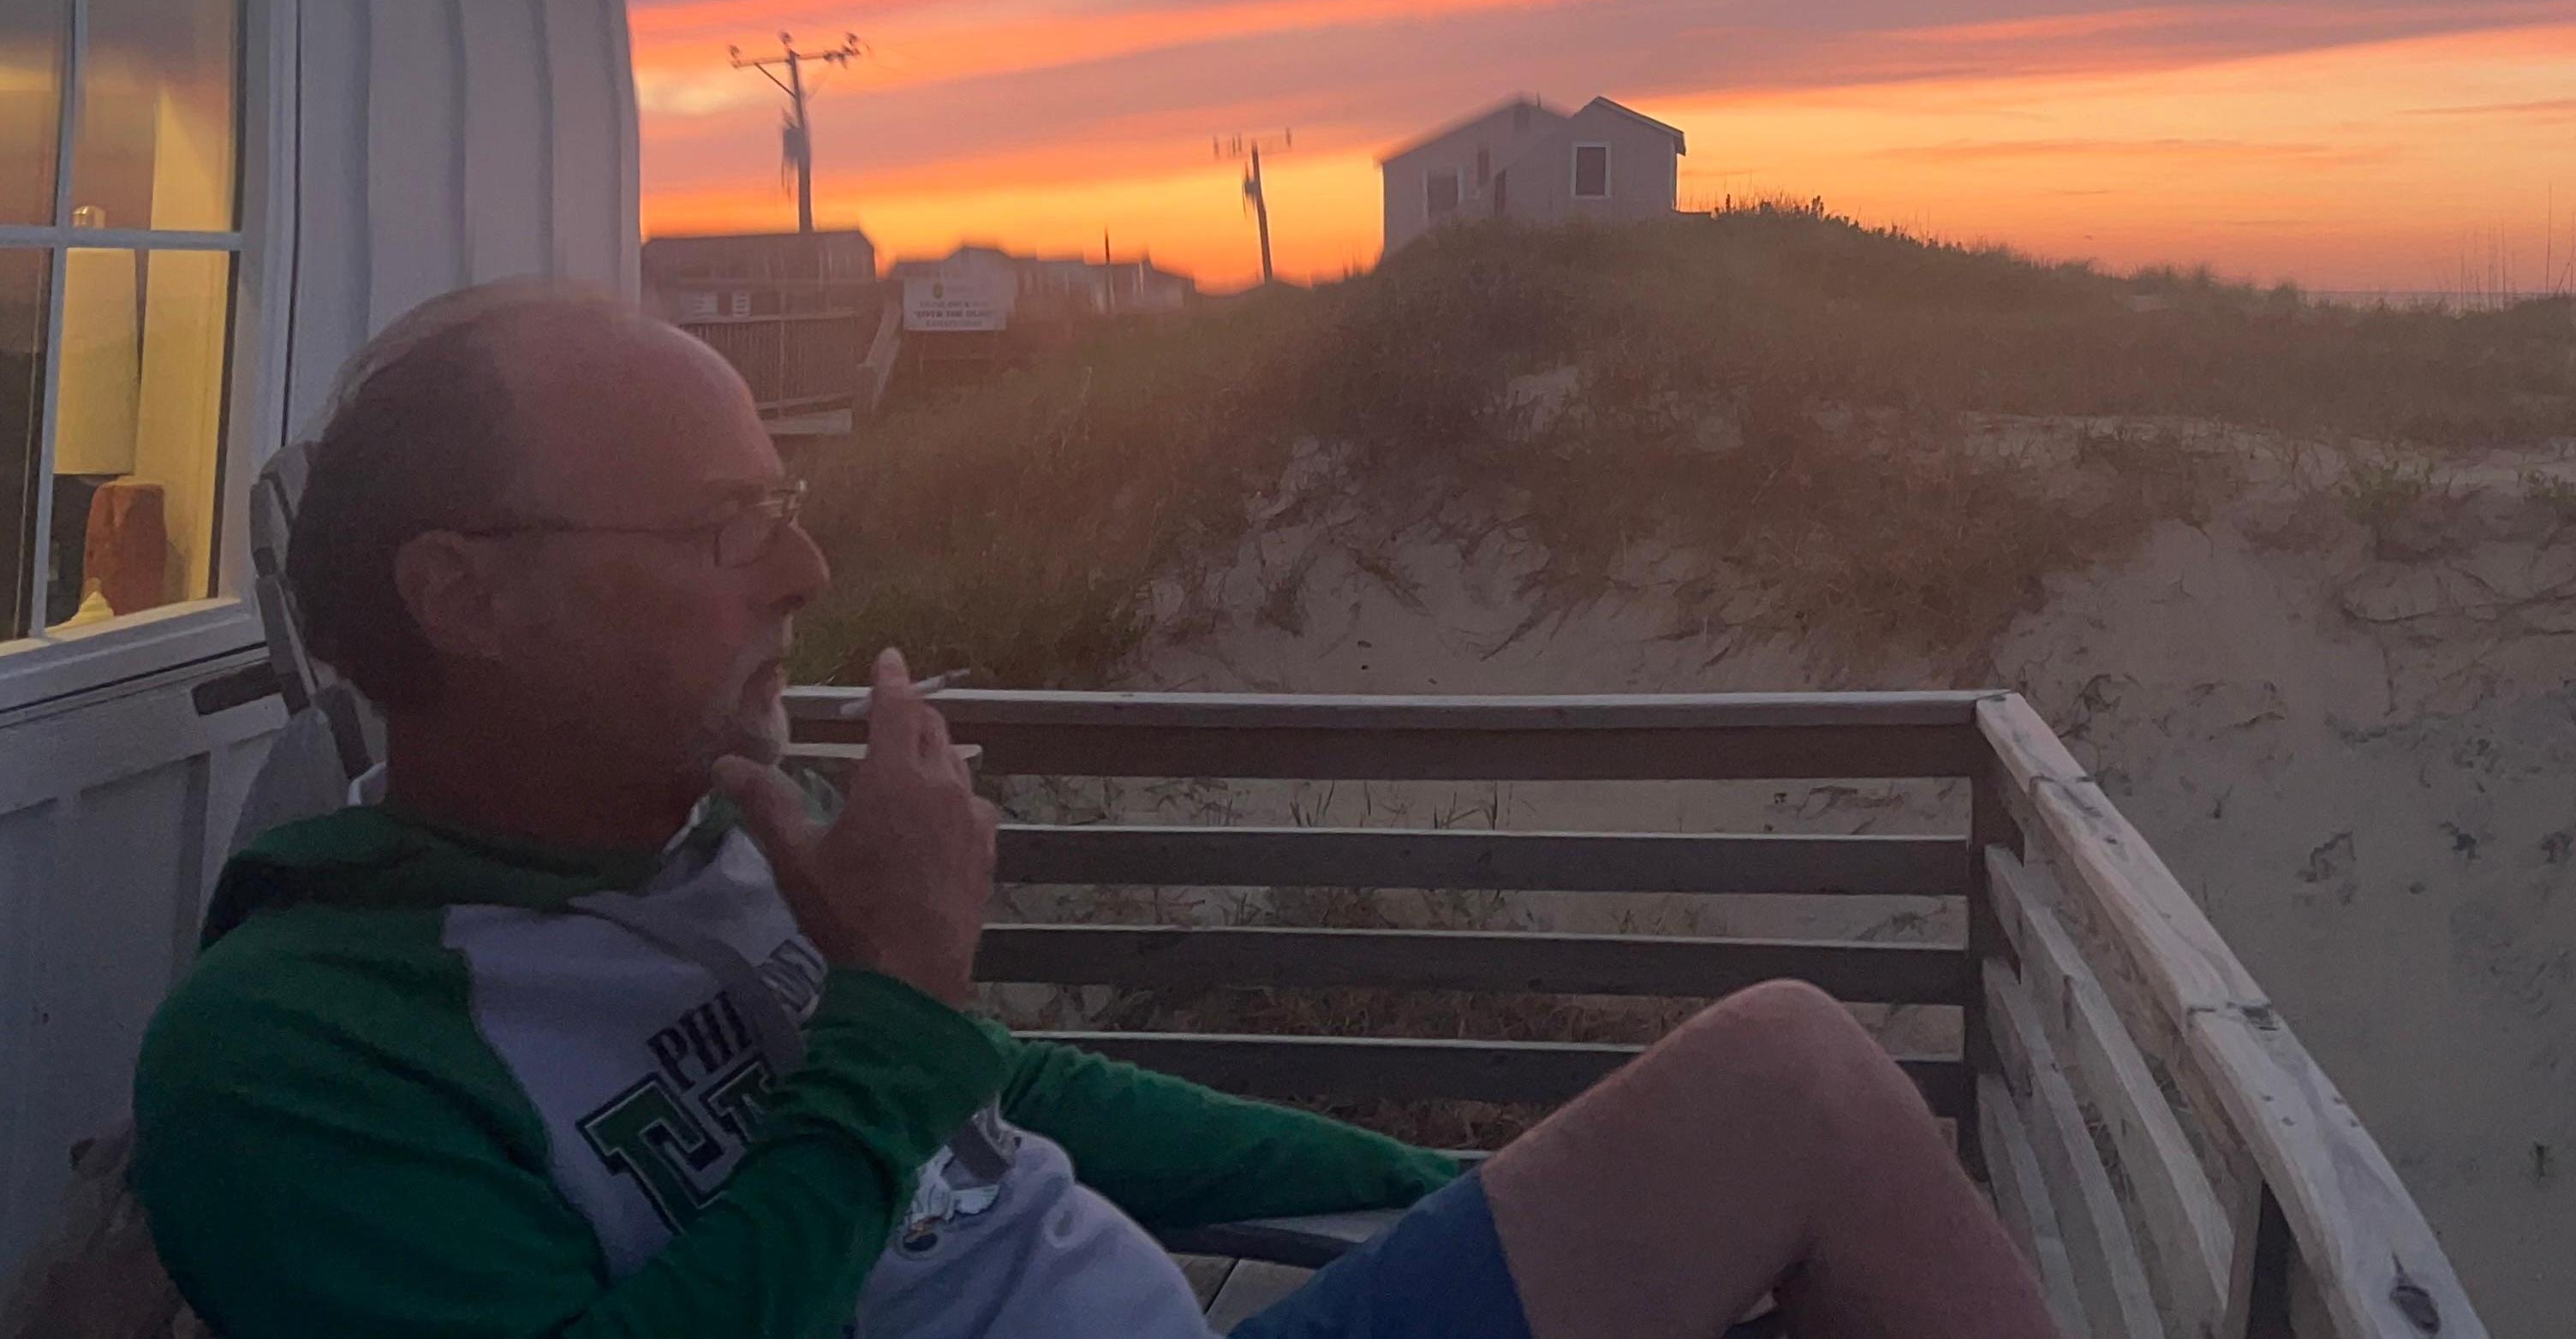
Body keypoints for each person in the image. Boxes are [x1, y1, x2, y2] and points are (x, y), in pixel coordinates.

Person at [134, 285, 2063, 1339]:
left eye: (786, 503)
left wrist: (1434, 1194)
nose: (805, 569)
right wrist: (891, 1007)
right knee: (1794, 1079)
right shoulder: (297, 1055)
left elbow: (998, 1099)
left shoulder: (710, 839)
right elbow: (908, 1073)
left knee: (1784, 1106)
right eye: (724, 527)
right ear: (468, 598)